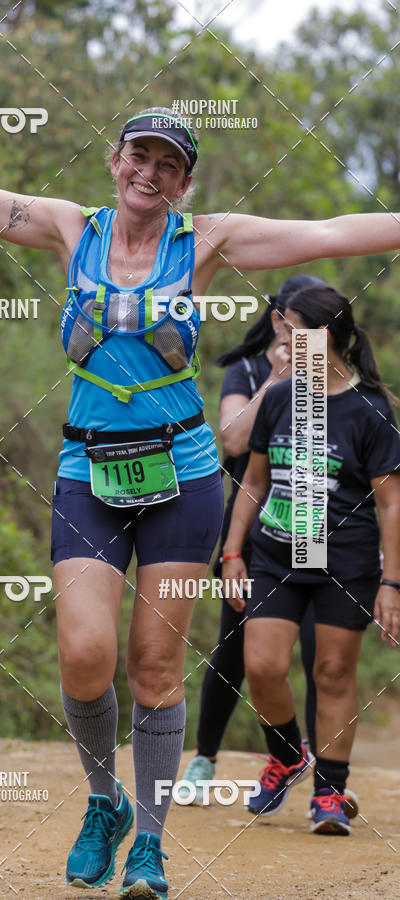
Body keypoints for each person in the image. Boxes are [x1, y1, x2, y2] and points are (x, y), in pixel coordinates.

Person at [0, 83, 400, 896]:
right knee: (85, 657)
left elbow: (329, 232)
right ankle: (103, 802)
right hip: (89, 469)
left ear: (185, 183)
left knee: (155, 668)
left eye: (169, 164)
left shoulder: (207, 239)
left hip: (184, 478)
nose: (150, 173)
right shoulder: (68, 227)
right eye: (139, 156)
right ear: (115, 161)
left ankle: (149, 845)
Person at [221, 283, 400, 835]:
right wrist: (231, 551)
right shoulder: (278, 396)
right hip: (277, 552)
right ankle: (286, 753)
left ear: (332, 338)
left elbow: (391, 501)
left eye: (298, 330)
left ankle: (330, 791)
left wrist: (393, 582)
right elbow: (253, 482)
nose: (287, 340)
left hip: (345, 560)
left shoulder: (371, 409)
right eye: (285, 330)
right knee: (263, 666)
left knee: (332, 669)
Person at [182, 274, 322, 795]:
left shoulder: (331, 378)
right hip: (251, 525)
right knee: (235, 642)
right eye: (290, 323)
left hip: (315, 523)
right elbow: (234, 438)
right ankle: (205, 758)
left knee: (316, 650)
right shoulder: (246, 370)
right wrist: (276, 381)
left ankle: (319, 771)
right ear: (276, 320)